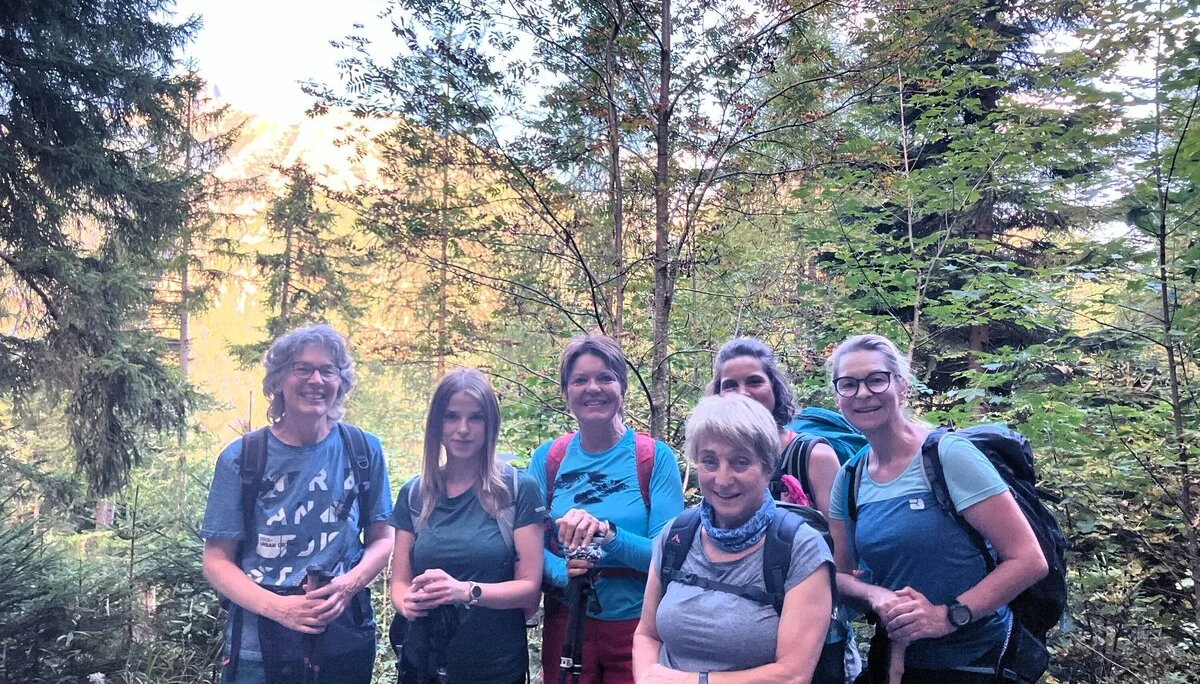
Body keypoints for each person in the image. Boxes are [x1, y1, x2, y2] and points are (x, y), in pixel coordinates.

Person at [825, 334, 1049, 683]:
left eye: (876, 379)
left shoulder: (947, 457)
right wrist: (876, 595)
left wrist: (948, 616)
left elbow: (1028, 560)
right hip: (898, 660)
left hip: (976, 660)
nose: (863, 393)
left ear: (902, 386)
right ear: (838, 396)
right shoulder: (850, 478)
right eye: (848, 384)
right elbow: (839, 576)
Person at [201, 323, 394, 684]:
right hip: (258, 645)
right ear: (278, 381)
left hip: (344, 636)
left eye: (328, 370)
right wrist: (281, 610)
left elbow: (383, 539)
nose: (316, 380)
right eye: (301, 368)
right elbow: (216, 559)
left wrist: (348, 584)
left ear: (340, 382)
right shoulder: (243, 458)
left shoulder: (364, 450)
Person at [632, 393, 834, 684]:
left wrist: (693, 682)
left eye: (740, 462)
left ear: (767, 468)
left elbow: (793, 674)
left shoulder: (799, 548)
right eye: (709, 462)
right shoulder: (677, 536)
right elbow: (647, 634)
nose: (723, 479)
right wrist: (647, 678)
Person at [529, 334, 685, 684]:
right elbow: (526, 546)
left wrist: (607, 534)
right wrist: (562, 571)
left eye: (605, 377)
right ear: (565, 391)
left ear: (622, 386)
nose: (592, 388)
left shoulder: (654, 459)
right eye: (580, 380)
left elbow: (668, 554)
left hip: (639, 628)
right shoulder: (548, 460)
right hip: (567, 624)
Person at [709, 337, 857, 683]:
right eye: (730, 385)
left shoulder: (813, 456)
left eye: (754, 381)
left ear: (775, 388)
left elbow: (842, 557)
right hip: (738, 634)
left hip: (815, 637)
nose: (743, 392)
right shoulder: (716, 463)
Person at [390, 368, 546, 684]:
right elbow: (399, 582)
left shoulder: (517, 491)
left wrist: (464, 591)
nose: (463, 429)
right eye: (451, 417)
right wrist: (406, 602)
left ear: (490, 425)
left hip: (496, 668)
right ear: (436, 425)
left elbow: (530, 588)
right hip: (425, 667)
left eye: (475, 417)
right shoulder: (415, 495)